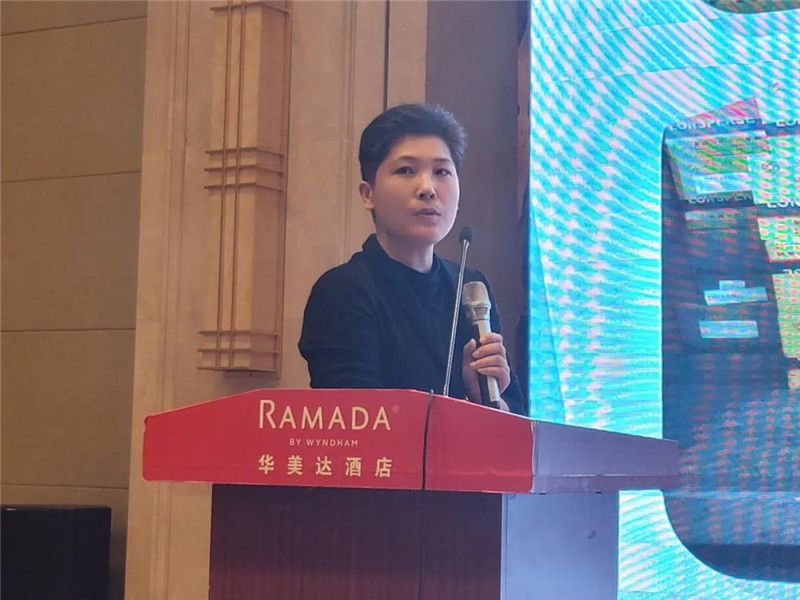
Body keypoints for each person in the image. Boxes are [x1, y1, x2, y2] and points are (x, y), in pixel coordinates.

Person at [298, 103, 525, 415]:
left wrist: (487, 402)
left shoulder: (470, 288)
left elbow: (514, 416)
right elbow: (359, 424)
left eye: (441, 172)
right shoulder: (343, 292)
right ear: (368, 194)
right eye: (406, 170)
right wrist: (465, 412)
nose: (427, 189)